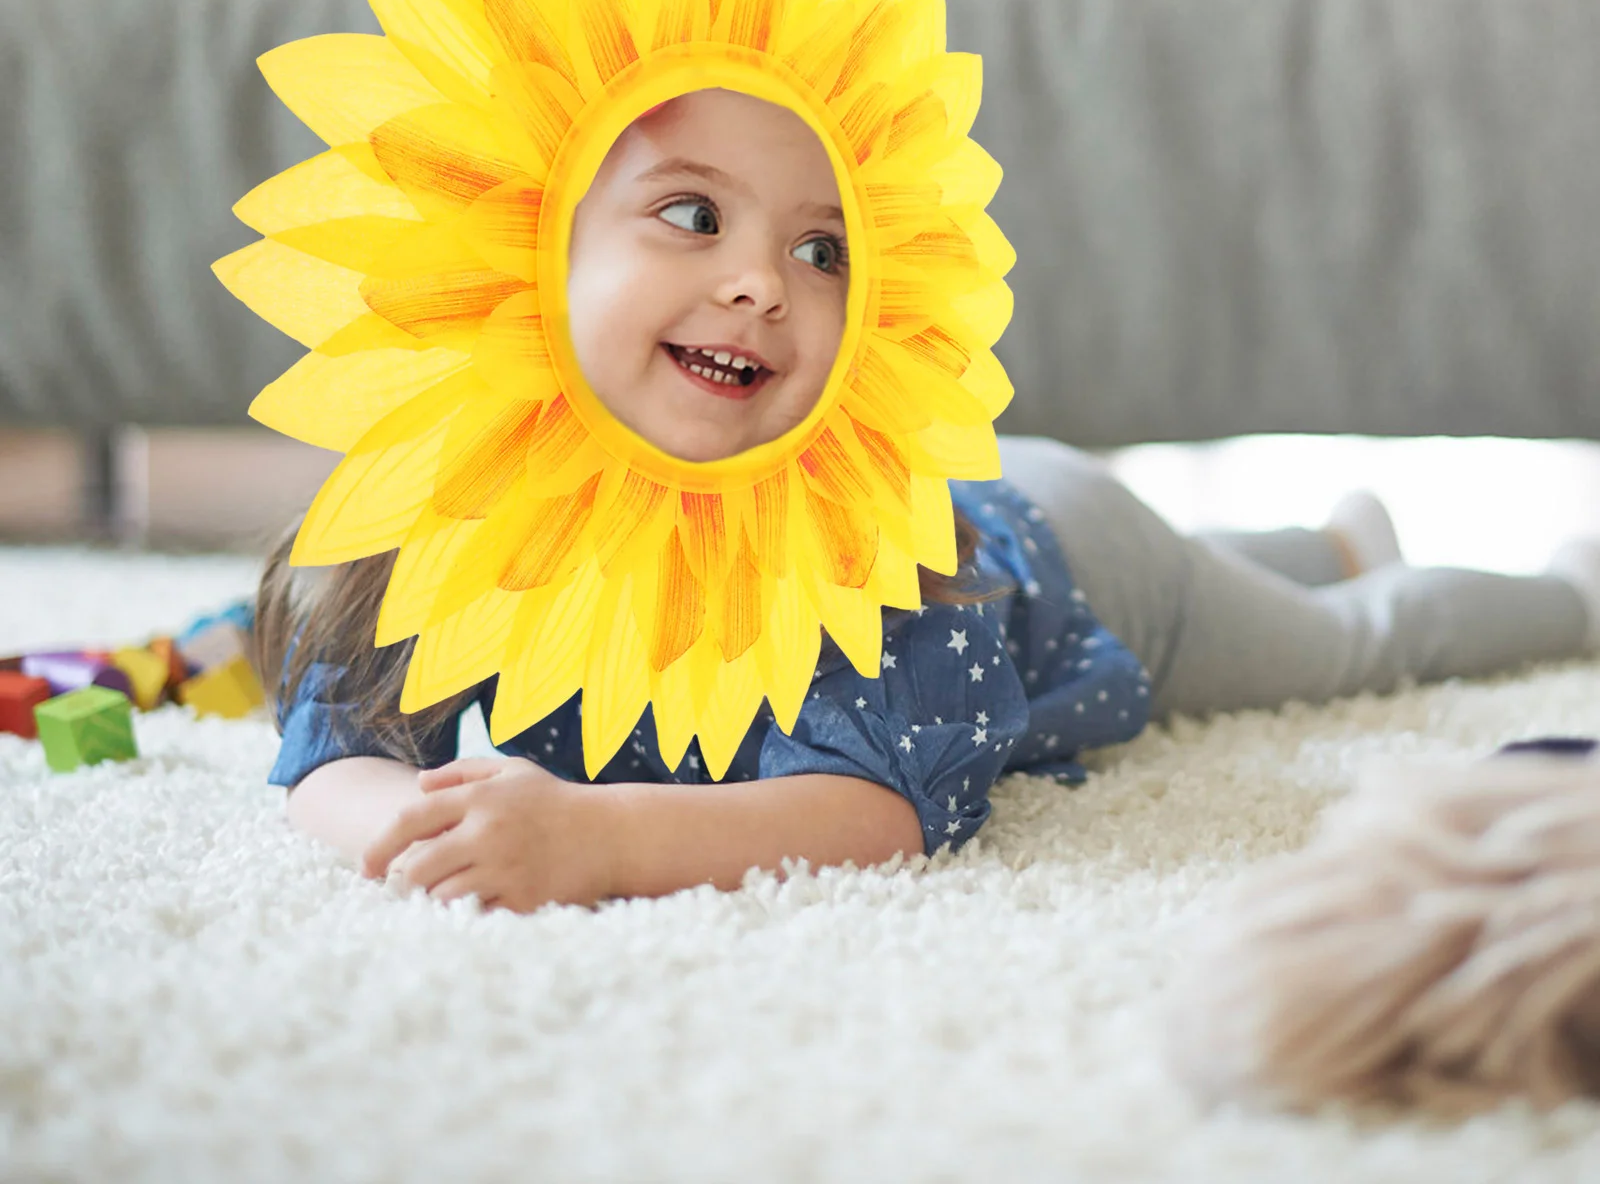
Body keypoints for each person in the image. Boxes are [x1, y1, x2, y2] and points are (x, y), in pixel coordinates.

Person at [249, 86, 1600, 913]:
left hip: (1087, 562)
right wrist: (420, 835)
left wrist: (597, 836)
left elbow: (876, 807)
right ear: (525, 244)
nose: (763, 285)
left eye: (822, 248)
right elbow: (332, 742)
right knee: (1274, 574)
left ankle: (1561, 584)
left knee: (1347, 649)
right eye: (691, 215)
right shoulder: (464, 504)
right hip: (1020, 511)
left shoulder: (852, 558)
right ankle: (1323, 537)